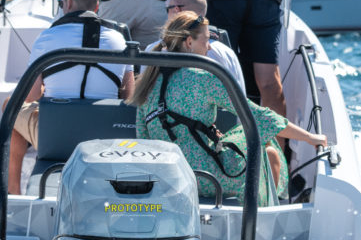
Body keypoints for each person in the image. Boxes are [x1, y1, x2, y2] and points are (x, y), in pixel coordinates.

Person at [130, 13, 326, 206]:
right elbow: (260, 116)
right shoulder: (203, 77)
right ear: (189, 42)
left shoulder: (148, 82)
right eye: (206, 41)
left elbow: (144, 138)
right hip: (205, 178)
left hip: (169, 179)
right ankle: (263, 221)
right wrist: (310, 138)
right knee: (268, 148)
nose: (208, 48)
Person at [8, 0, 134, 194]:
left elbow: (31, 96)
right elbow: (129, 96)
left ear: (67, 1)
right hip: (105, 141)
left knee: (11, 105)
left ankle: (13, 191)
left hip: (56, 139)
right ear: (97, 5)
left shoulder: (47, 38)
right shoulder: (118, 39)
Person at [145, 0, 245, 91]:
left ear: (176, 9)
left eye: (168, 9)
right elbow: (239, 99)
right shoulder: (226, 52)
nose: (209, 47)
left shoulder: (153, 50)